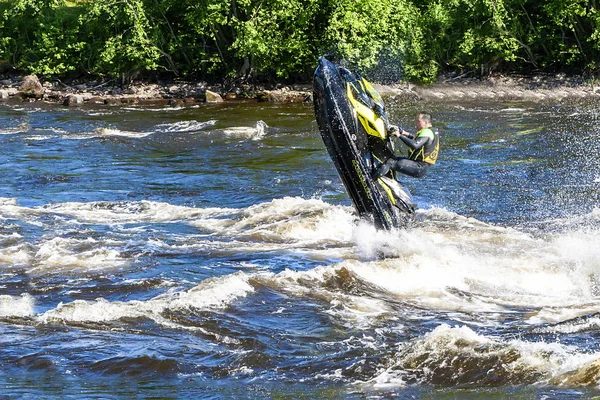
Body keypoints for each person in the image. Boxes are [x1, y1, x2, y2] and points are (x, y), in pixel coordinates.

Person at [372, 112, 439, 179]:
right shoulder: (432, 131)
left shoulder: (426, 131)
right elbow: (419, 140)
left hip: (419, 166)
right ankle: (390, 179)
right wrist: (404, 133)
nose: (416, 124)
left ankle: (370, 180)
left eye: (418, 121)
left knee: (390, 163)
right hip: (421, 166)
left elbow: (415, 145)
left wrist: (399, 136)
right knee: (391, 159)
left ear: (426, 122)